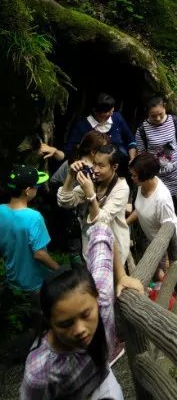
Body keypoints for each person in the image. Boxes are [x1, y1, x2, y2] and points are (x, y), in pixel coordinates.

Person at [20, 223, 144, 400]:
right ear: (49, 322)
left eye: (86, 315)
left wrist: (121, 275)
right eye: (65, 323)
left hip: (102, 379)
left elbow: (103, 230)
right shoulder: (40, 372)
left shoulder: (102, 302)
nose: (80, 330)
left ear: (96, 297)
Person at [0, 165, 60, 348]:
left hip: (14, 278)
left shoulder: (1, 210)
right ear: (27, 191)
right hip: (35, 282)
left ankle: (27, 343)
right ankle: (44, 349)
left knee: (26, 316)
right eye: (36, 186)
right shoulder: (33, 217)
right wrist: (59, 269)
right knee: (44, 318)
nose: (37, 189)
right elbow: (40, 254)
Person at [135, 96, 177, 247]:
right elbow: (141, 155)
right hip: (157, 178)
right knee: (165, 208)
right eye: (153, 116)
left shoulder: (174, 121)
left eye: (160, 113)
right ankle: (173, 237)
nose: (158, 118)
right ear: (147, 113)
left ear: (165, 107)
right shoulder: (142, 130)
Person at [57, 145, 130, 263]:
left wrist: (90, 194)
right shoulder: (93, 180)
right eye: (94, 163)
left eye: (101, 166)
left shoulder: (121, 188)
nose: (95, 170)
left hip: (113, 251)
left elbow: (101, 221)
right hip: (90, 247)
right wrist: (70, 175)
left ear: (114, 167)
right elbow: (65, 202)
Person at [126, 152, 177, 265]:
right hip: (157, 244)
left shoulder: (162, 199)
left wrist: (166, 262)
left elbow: (167, 231)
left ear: (145, 177)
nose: (131, 178)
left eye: (134, 175)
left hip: (171, 247)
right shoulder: (142, 185)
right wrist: (124, 223)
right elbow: (141, 209)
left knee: (173, 277)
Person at [64, 93, 136, 161]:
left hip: (120, 165)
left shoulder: (117, 118)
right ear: (96, 112)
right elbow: (71, 150)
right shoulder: (82, 126)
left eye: (112, 109)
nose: (111, 113)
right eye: (107, 111)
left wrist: (132, 159)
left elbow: (130, 140)